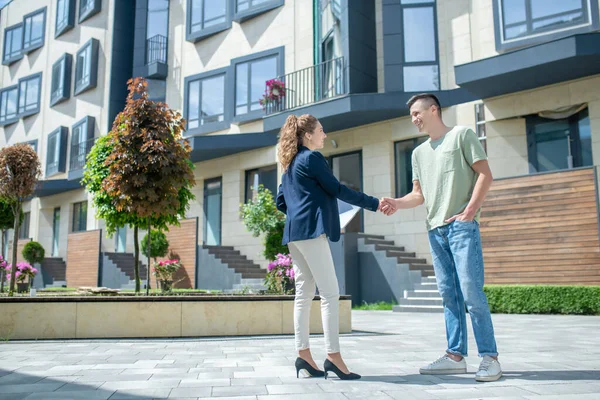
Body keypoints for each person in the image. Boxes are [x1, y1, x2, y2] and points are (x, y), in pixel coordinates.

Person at [381, 94, 502, 382]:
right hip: (435, 230)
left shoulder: (462, 134)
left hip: (461, 227)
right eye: (411, 115)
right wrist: (397, 202)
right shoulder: (418, 153)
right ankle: (455, 356)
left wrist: (469, 212)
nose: (414, 119)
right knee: (449, 294)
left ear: (434, 109)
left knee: (471, 292)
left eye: (417, 112)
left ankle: (490, 357)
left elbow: (485, 174)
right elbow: (419, 195)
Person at [276, 114, 384, 380]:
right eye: (321, 131)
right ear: (309, 135)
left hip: (294, 234)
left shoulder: (289, 163)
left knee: (303, 294)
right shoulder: (312, 158)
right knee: (330, 293)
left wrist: (302, 207)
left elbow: (281, 201)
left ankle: (303, 356)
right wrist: (374, 203)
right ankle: (333, 357)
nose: (325, 135)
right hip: (311, 233)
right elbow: (336, 189)